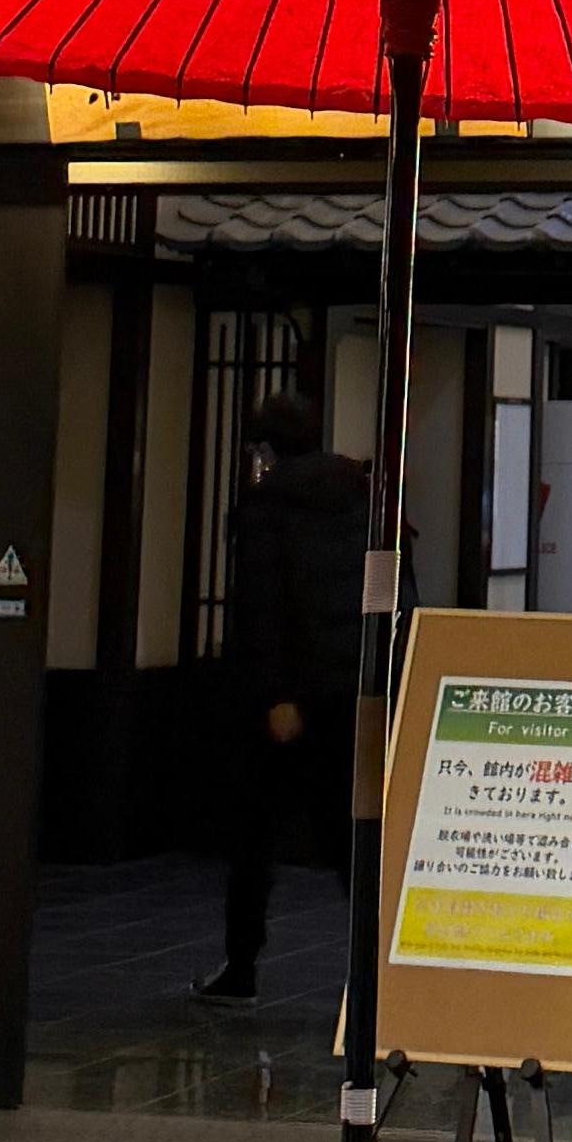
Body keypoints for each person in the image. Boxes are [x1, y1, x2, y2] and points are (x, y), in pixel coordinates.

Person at [203, 383, 369, 1004]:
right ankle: (376, 970)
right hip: (350, 689)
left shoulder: (266, 507)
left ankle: (240, 968)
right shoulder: (362, 497)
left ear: (267, 447)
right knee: (350, 836)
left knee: (253, 837)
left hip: (283, 699)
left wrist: (276, 693)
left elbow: (263, 609)